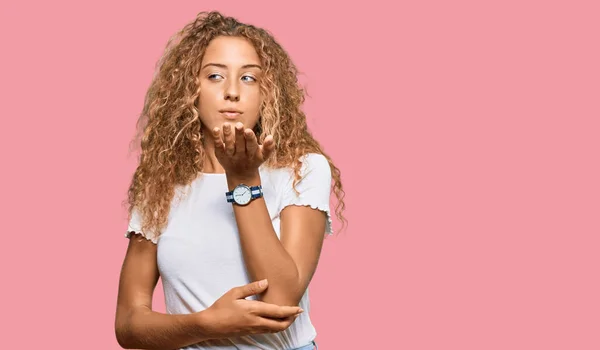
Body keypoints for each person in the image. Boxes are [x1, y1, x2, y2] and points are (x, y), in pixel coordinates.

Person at [114, 11, 346, 350]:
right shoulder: (161, 185)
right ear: (189, 90)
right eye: (215, 76)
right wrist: (205, 323)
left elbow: (280, 302)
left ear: (269, 92)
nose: (232, 92)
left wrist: (242, 181)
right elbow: (128, 325)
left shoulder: (302, 168)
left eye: (249, 78)